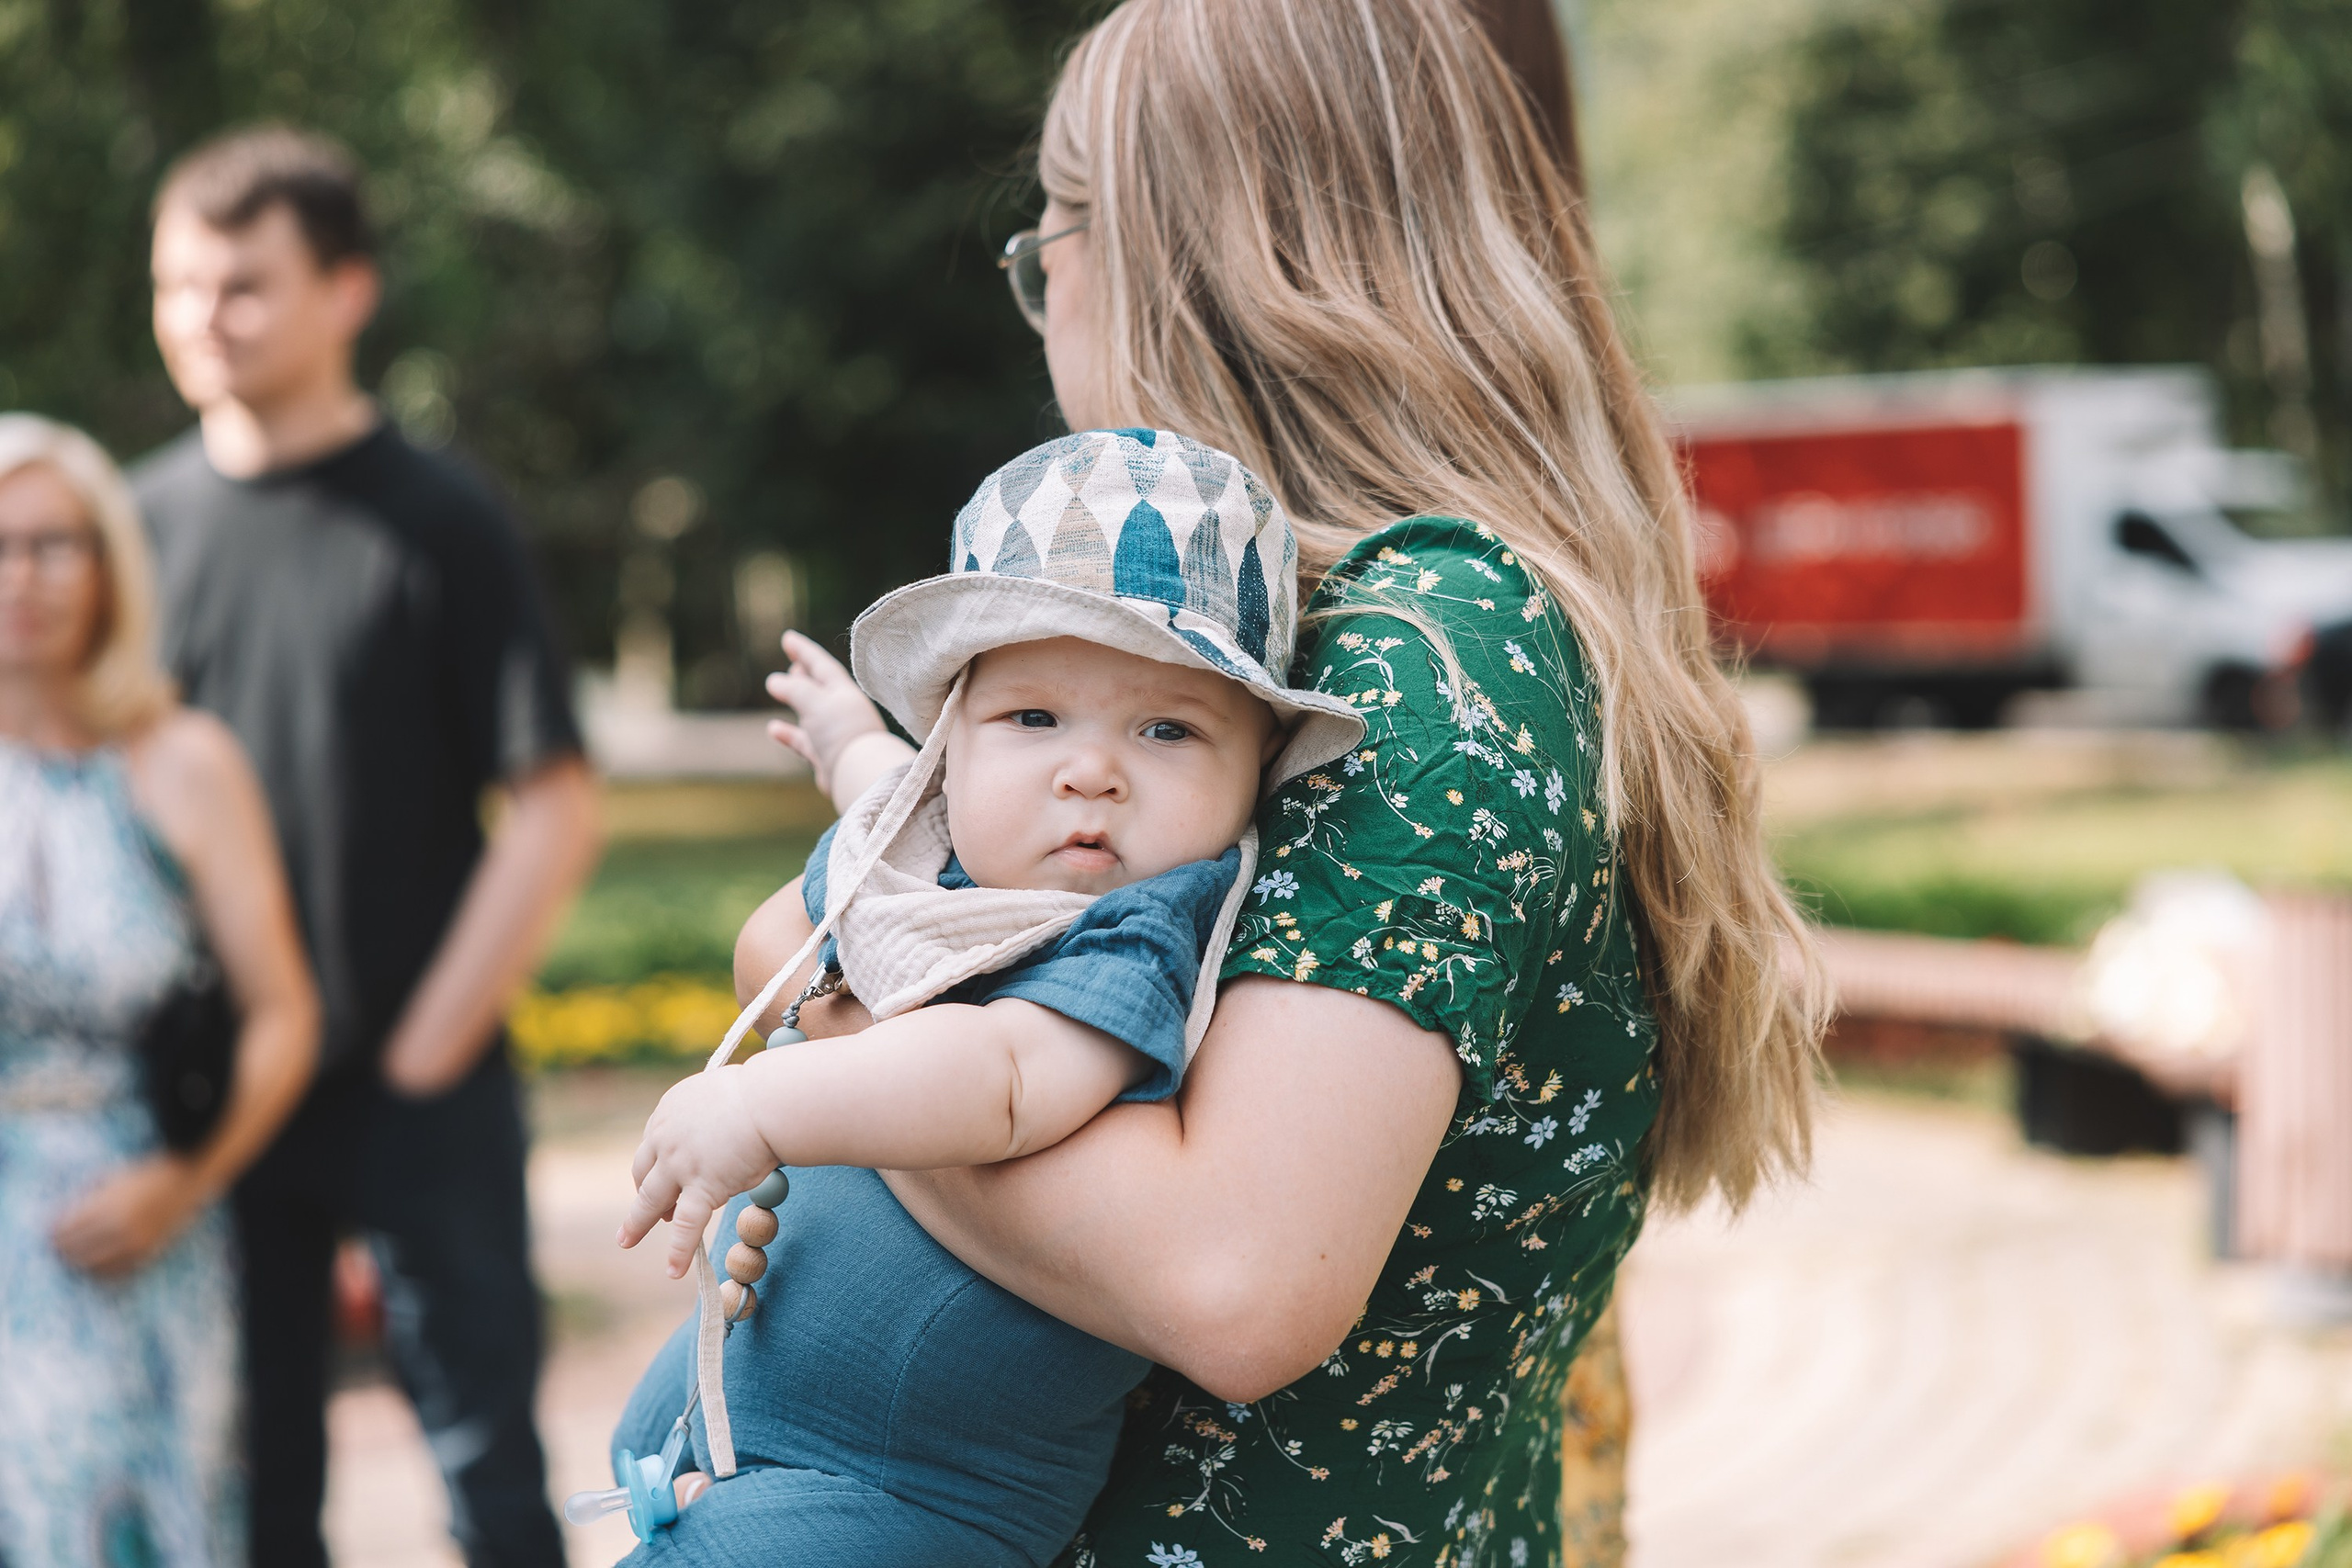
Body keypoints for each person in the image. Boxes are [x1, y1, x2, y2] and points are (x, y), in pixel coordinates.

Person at [753, 3, 1831, 1564]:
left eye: (1046, 238)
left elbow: (1234, 1277)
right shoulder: (1325, 636)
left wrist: (816, 1019)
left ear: (1175, 255)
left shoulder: (1428, 646)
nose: (1041, 293)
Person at [605, 427, 1364, 1564]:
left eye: (1167, 729)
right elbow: (893, 819)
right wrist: (851, 746)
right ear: (948, 745)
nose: (1091, 769)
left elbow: (1007, 1077)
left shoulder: (1132, 933)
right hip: (751, 1431)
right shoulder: (953, 853)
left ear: (1253, 773)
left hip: (911, 1492)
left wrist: (773, 1108)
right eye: (1033, 717)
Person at [132, 125, 604, 1568]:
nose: (204, 321)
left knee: (486, 1471)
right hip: (216, 1090)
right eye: (178, 287)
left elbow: (556, 803)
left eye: (245, 286)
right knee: (251, 1479)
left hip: (420, 1082)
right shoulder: (134, 527)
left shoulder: (439, 518)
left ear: (348, 291)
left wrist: (427, 1045)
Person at [0, 413, 319, 1568]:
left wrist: (179, 1185)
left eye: (52, 543)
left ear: (105, 563)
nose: (21, 576)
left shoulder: (182, 763)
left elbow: (284, 1013)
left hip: (139, 1223)